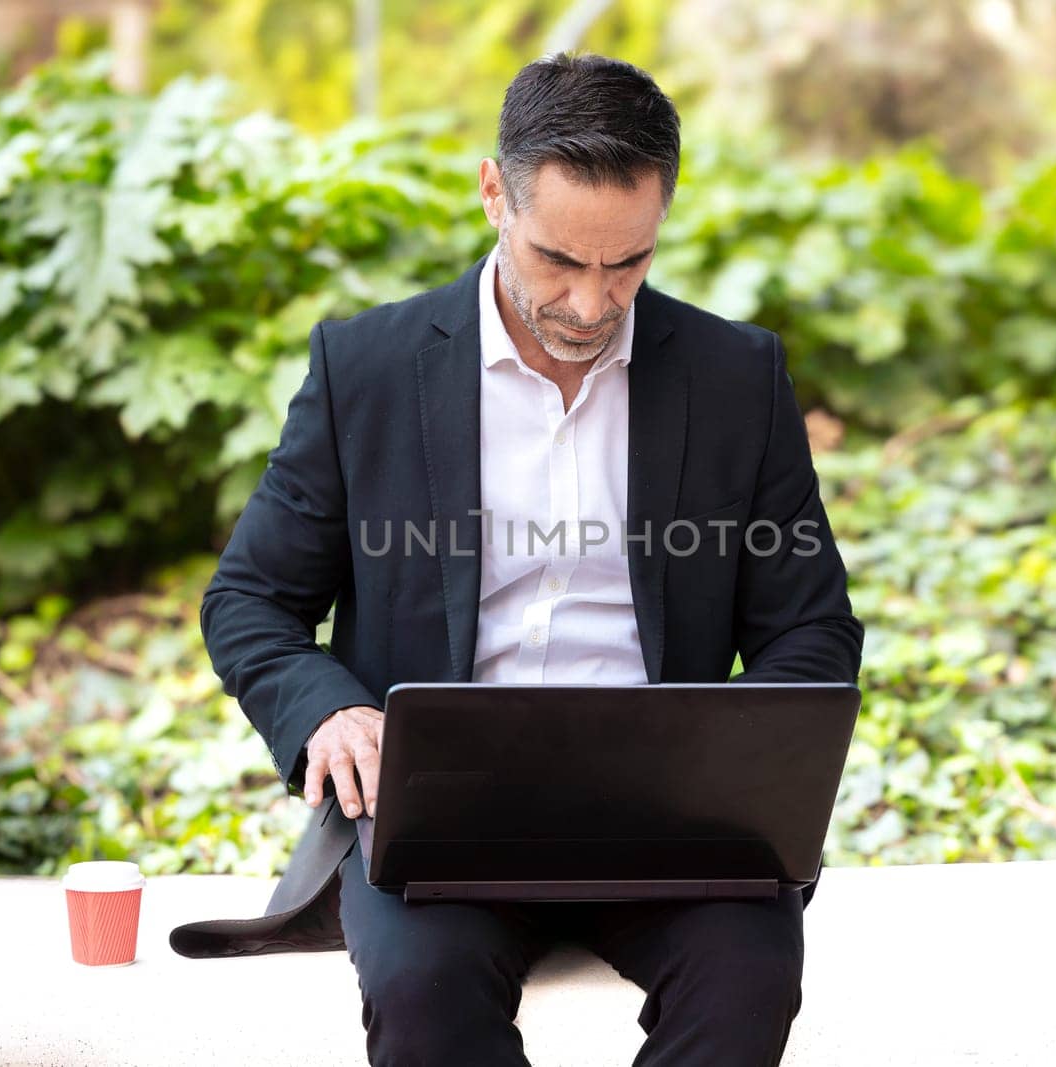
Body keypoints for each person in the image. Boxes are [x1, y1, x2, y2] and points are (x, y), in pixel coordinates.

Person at [197, 51, 863, 1067]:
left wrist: (747, 765)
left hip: (676, 822)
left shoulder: (737, 377)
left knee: (748, 981)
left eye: (626, 264)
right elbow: (250, 599)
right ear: (492, 194)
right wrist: (328, 709)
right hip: (438, 823)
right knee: (424, 998)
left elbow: (809, 627)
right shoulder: (365, 370)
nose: (593, 305)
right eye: (559, 259)